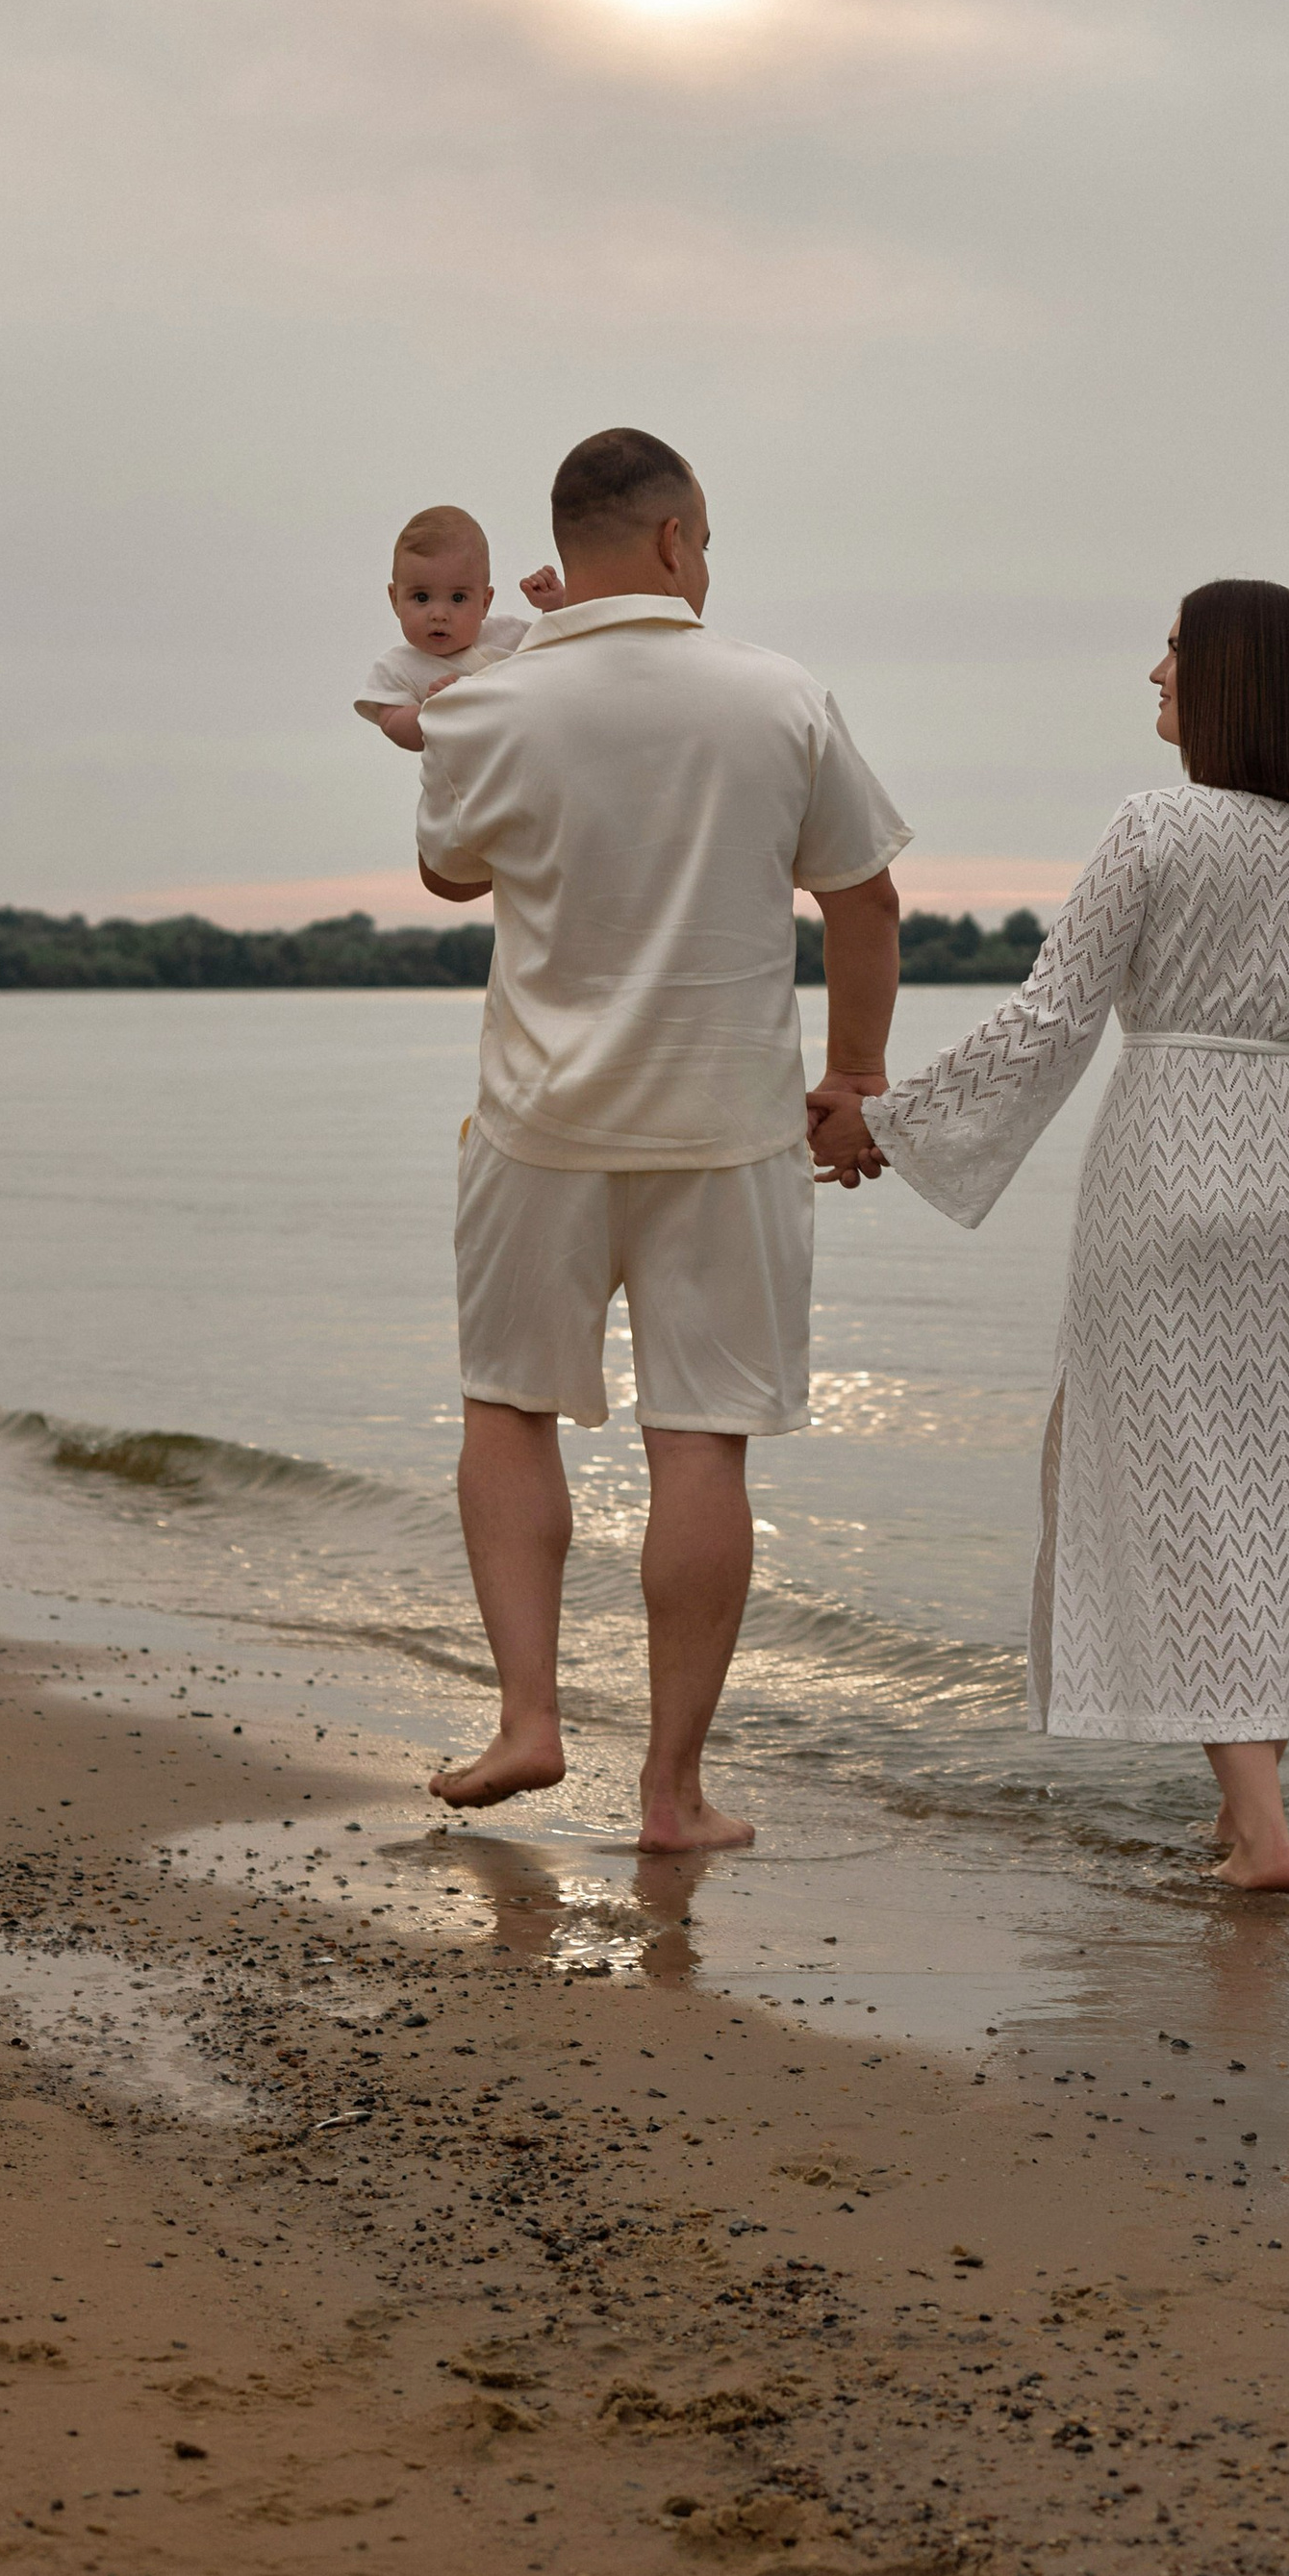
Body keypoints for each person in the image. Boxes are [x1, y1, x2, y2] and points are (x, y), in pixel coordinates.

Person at [807, 581, 1289, 1893]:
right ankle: (1244, 1805)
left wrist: (887, 1122)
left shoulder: (1153, 827)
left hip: (1172, 1176)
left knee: (1175, 1489)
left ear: (1230, 678)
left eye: (1175, 652)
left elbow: (1048, 1021)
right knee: (1274, 1494)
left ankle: (1260, 1831)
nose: (1155, 673)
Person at [415, 427, 908, 1853]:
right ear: (681, 540)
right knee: (702, 1445)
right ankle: (673, 1794)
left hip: (537, 1123)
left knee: (508, 1409)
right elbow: (864, 901)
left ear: (565, 549)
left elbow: (451, 876)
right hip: (727, 1128)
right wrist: (856, 1076)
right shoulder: (778, 697)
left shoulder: (486, 702)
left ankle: (528, 1718)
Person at [354, 503, 550, 752]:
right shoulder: (398, 667)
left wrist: (553, 608)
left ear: (484, 603)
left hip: (524, 767)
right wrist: (434, 711)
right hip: (462, 788)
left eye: (458, 598)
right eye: (422, 597)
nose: (438, 615)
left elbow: (560, 650)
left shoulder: (508, 633)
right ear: (395, 600)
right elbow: (392, 724)